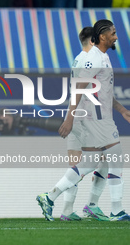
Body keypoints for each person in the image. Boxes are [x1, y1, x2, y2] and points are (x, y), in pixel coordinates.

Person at [37, 19, 130, 221]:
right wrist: (70, 118)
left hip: (99, 116)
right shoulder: (92, 58)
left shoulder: (102, 57)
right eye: (113, 33)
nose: (116, 37)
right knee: (116, 157)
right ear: (103, 36)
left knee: (91, 162)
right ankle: (116, 210)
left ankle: (50, 196)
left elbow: (102, 89)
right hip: (95, 117)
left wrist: (122, 110)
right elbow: (79, 87)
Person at [60, 27, 109, 221]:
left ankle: (67, 210)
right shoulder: (90, 59)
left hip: (77, 113)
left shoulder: (79, 58)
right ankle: (92, 204)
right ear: (92, 41)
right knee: (106, 158)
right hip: (85, 115)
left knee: (77, 163)